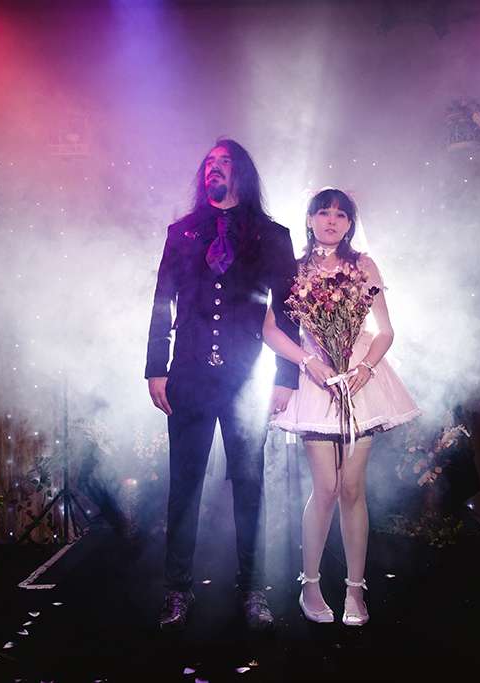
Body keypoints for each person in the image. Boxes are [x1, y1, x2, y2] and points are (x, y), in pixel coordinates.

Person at [145, 139, 300, 631]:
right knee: (183, 485)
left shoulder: (271, 235)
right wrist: (155, 366)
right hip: (188, 374)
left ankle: (253, 590)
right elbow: (162, 301)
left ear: (242, 173)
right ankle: (177, 589)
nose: (214, 168)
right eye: (209, 163)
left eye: (224, 162)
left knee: (249, 485)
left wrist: (287, 376)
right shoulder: (182, 232)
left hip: (246, 379)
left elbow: (288, 311)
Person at [265, 188, 419, 626]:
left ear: (350, 224)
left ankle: (355, 590)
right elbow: (271, 330)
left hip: (358, 380)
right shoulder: (294, 269)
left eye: (340, 215)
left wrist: (366, 367)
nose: (331, 221)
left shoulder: (362, 265)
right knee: (327, 488)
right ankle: (310, 585)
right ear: (310, 219)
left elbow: (385, 330)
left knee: (352, 488)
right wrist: (307, 361)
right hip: (317, 382)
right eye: (323, 213)